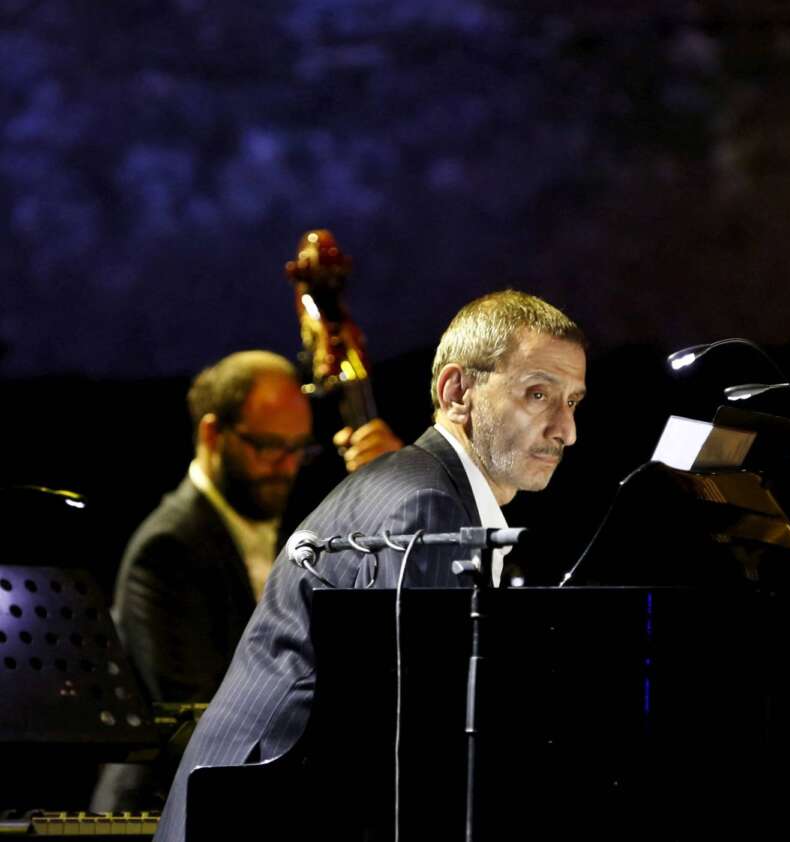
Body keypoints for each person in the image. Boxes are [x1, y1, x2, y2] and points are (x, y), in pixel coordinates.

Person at [152, 290, 586, 841]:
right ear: (457, 392)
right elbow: (414, 744)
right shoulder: (427, 508)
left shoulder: (421, 488)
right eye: (538, 394)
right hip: (259, 819)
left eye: (573, 402)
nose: (565, 430)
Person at [94, 351, 401, 810]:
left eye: (299, 449)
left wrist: (397, 485)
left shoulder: (295, 522)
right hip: (164, 813)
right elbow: (202, 723)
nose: (287, 467)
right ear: (211, 434)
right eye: (268, 446)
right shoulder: (167, 549)